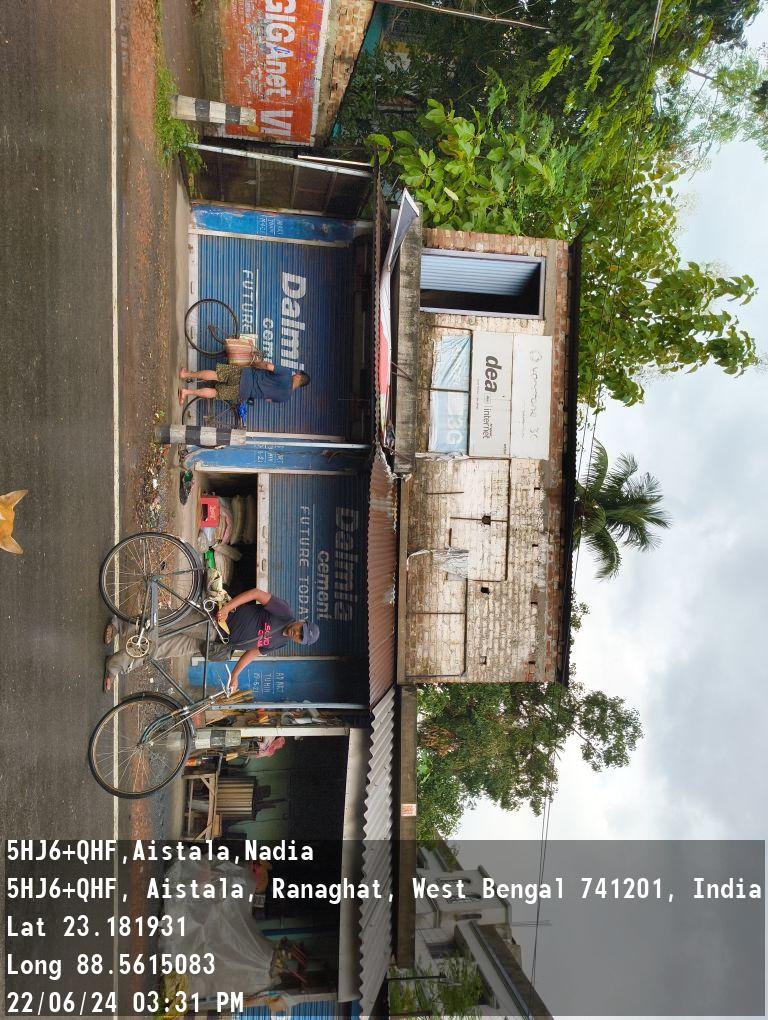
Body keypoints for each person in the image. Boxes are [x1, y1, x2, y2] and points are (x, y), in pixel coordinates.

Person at [103, 586, 320, 692]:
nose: (298, 634)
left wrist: (235, 676)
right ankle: (120, 624)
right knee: (165, 622)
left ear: (300, 642)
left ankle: (115, 666)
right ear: (302, 621)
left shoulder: (281, 643)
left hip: (216, 643)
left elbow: (253, 653)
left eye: (301, 638)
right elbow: (256, 594)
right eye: (301, 629)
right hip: (216, 622)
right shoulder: (284, 612)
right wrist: (227, 608)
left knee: (163, 649)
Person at [178, 362, 310, 406]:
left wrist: (256, 363)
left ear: (298, 376)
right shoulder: (286, 398)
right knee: (215, 393)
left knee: (217, 375)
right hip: (244, 392)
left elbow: (268, 366)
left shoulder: (287, 373)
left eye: (297, 374)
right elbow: (268, 399)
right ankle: (186, 392)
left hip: (245, 375)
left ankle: (186, 375)